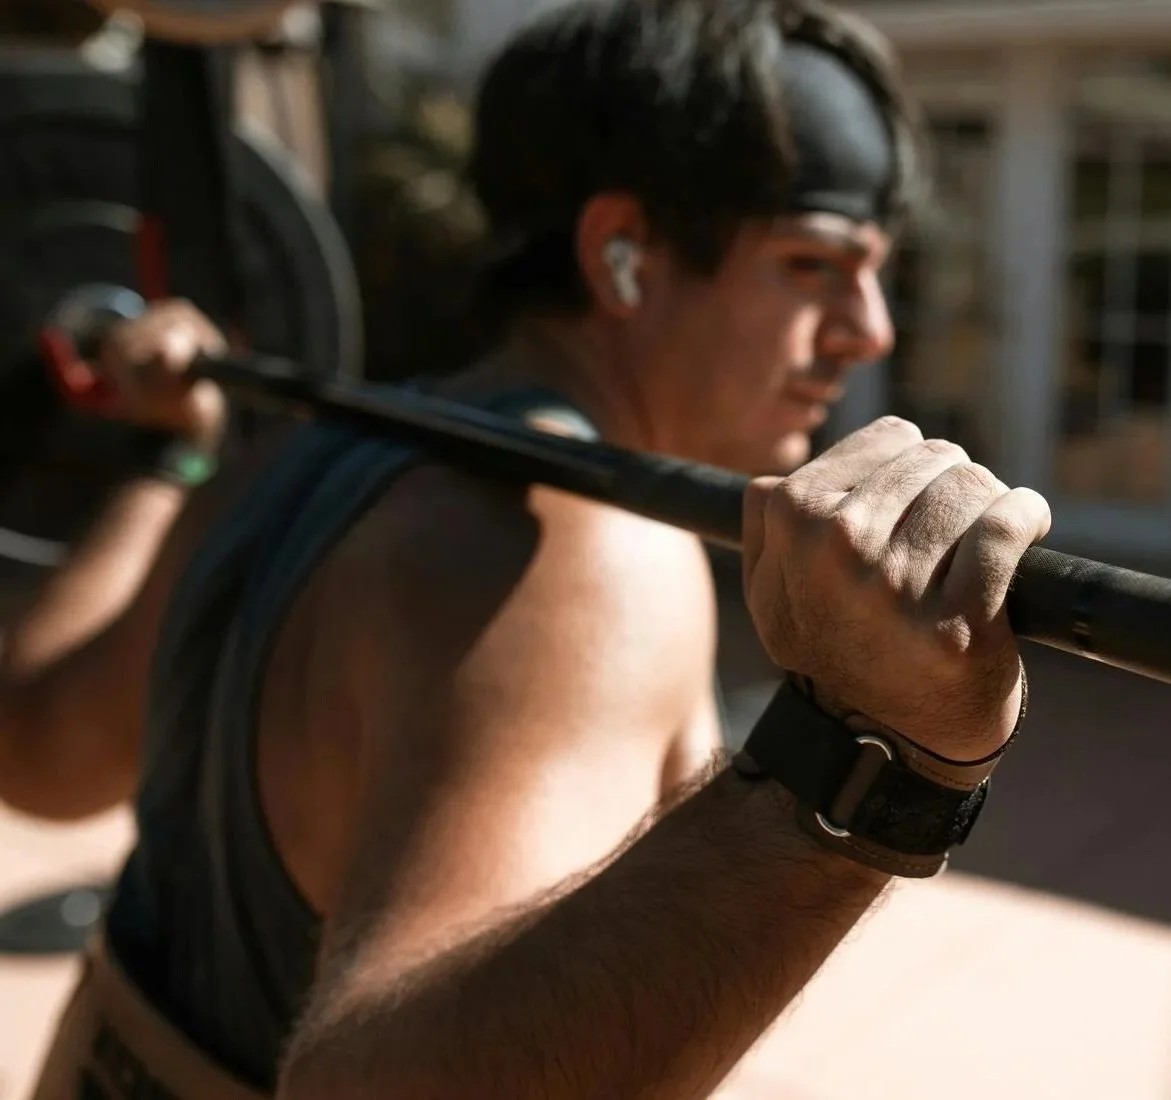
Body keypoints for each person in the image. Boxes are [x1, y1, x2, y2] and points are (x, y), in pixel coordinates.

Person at [0, 2, 1050, 1098]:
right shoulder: (573, 552)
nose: (869, 328)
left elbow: (39, 749)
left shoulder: (295, 450)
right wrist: (859, 758)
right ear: (622, 255)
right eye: (813, 263)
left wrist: (169, 462)